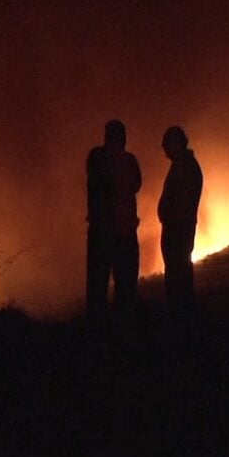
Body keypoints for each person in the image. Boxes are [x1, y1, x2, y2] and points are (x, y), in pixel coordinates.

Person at [86, 119, 142, 316]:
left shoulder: (97, 157)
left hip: (107, 232)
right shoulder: (125, 160)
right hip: (119, 232)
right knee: (121, 286)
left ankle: (102, 329)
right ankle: (118, 329)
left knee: (99, 284)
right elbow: (135, 185)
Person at [158, 126, 203, 314]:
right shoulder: (183, 165)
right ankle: (182, 312)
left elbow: (183, 200)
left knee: (178, 273)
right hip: (178, 228)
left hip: (178, 230)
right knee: (179, 271)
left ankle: (181, 314)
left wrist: (172, 218)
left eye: (168, 144)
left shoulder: (185, 167)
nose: (164, 149)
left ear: (177, 143)